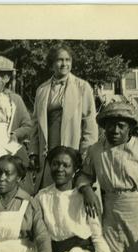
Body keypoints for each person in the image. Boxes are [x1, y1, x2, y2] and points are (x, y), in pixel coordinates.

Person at [76, 101, 138, 252]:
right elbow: (84, 174)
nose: (115, 130)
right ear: (104, 127)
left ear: (130, 128)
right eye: (110, 125)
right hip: (111, 215)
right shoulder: (96, 150)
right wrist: (86, 189)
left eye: (121, 126)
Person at [29, 44, 98, 192]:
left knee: (71, 192)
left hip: (72, 145)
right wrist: (33, 151)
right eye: (60, 60)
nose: (64, 64)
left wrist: (85, 154)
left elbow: (89, 125)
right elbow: (35, 124)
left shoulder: (82, 87)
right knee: (48, 192)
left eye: (68, 60)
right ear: (52, 63)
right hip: (48, 147)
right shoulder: (42, 89)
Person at [35, 146, 110, 252]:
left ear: (75, 170)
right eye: (55, 164)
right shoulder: (42, 196)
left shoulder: (84, 197)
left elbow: (96, 233)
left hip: (81, 250)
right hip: (54, 250)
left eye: (66, 166)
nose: (60, 169)